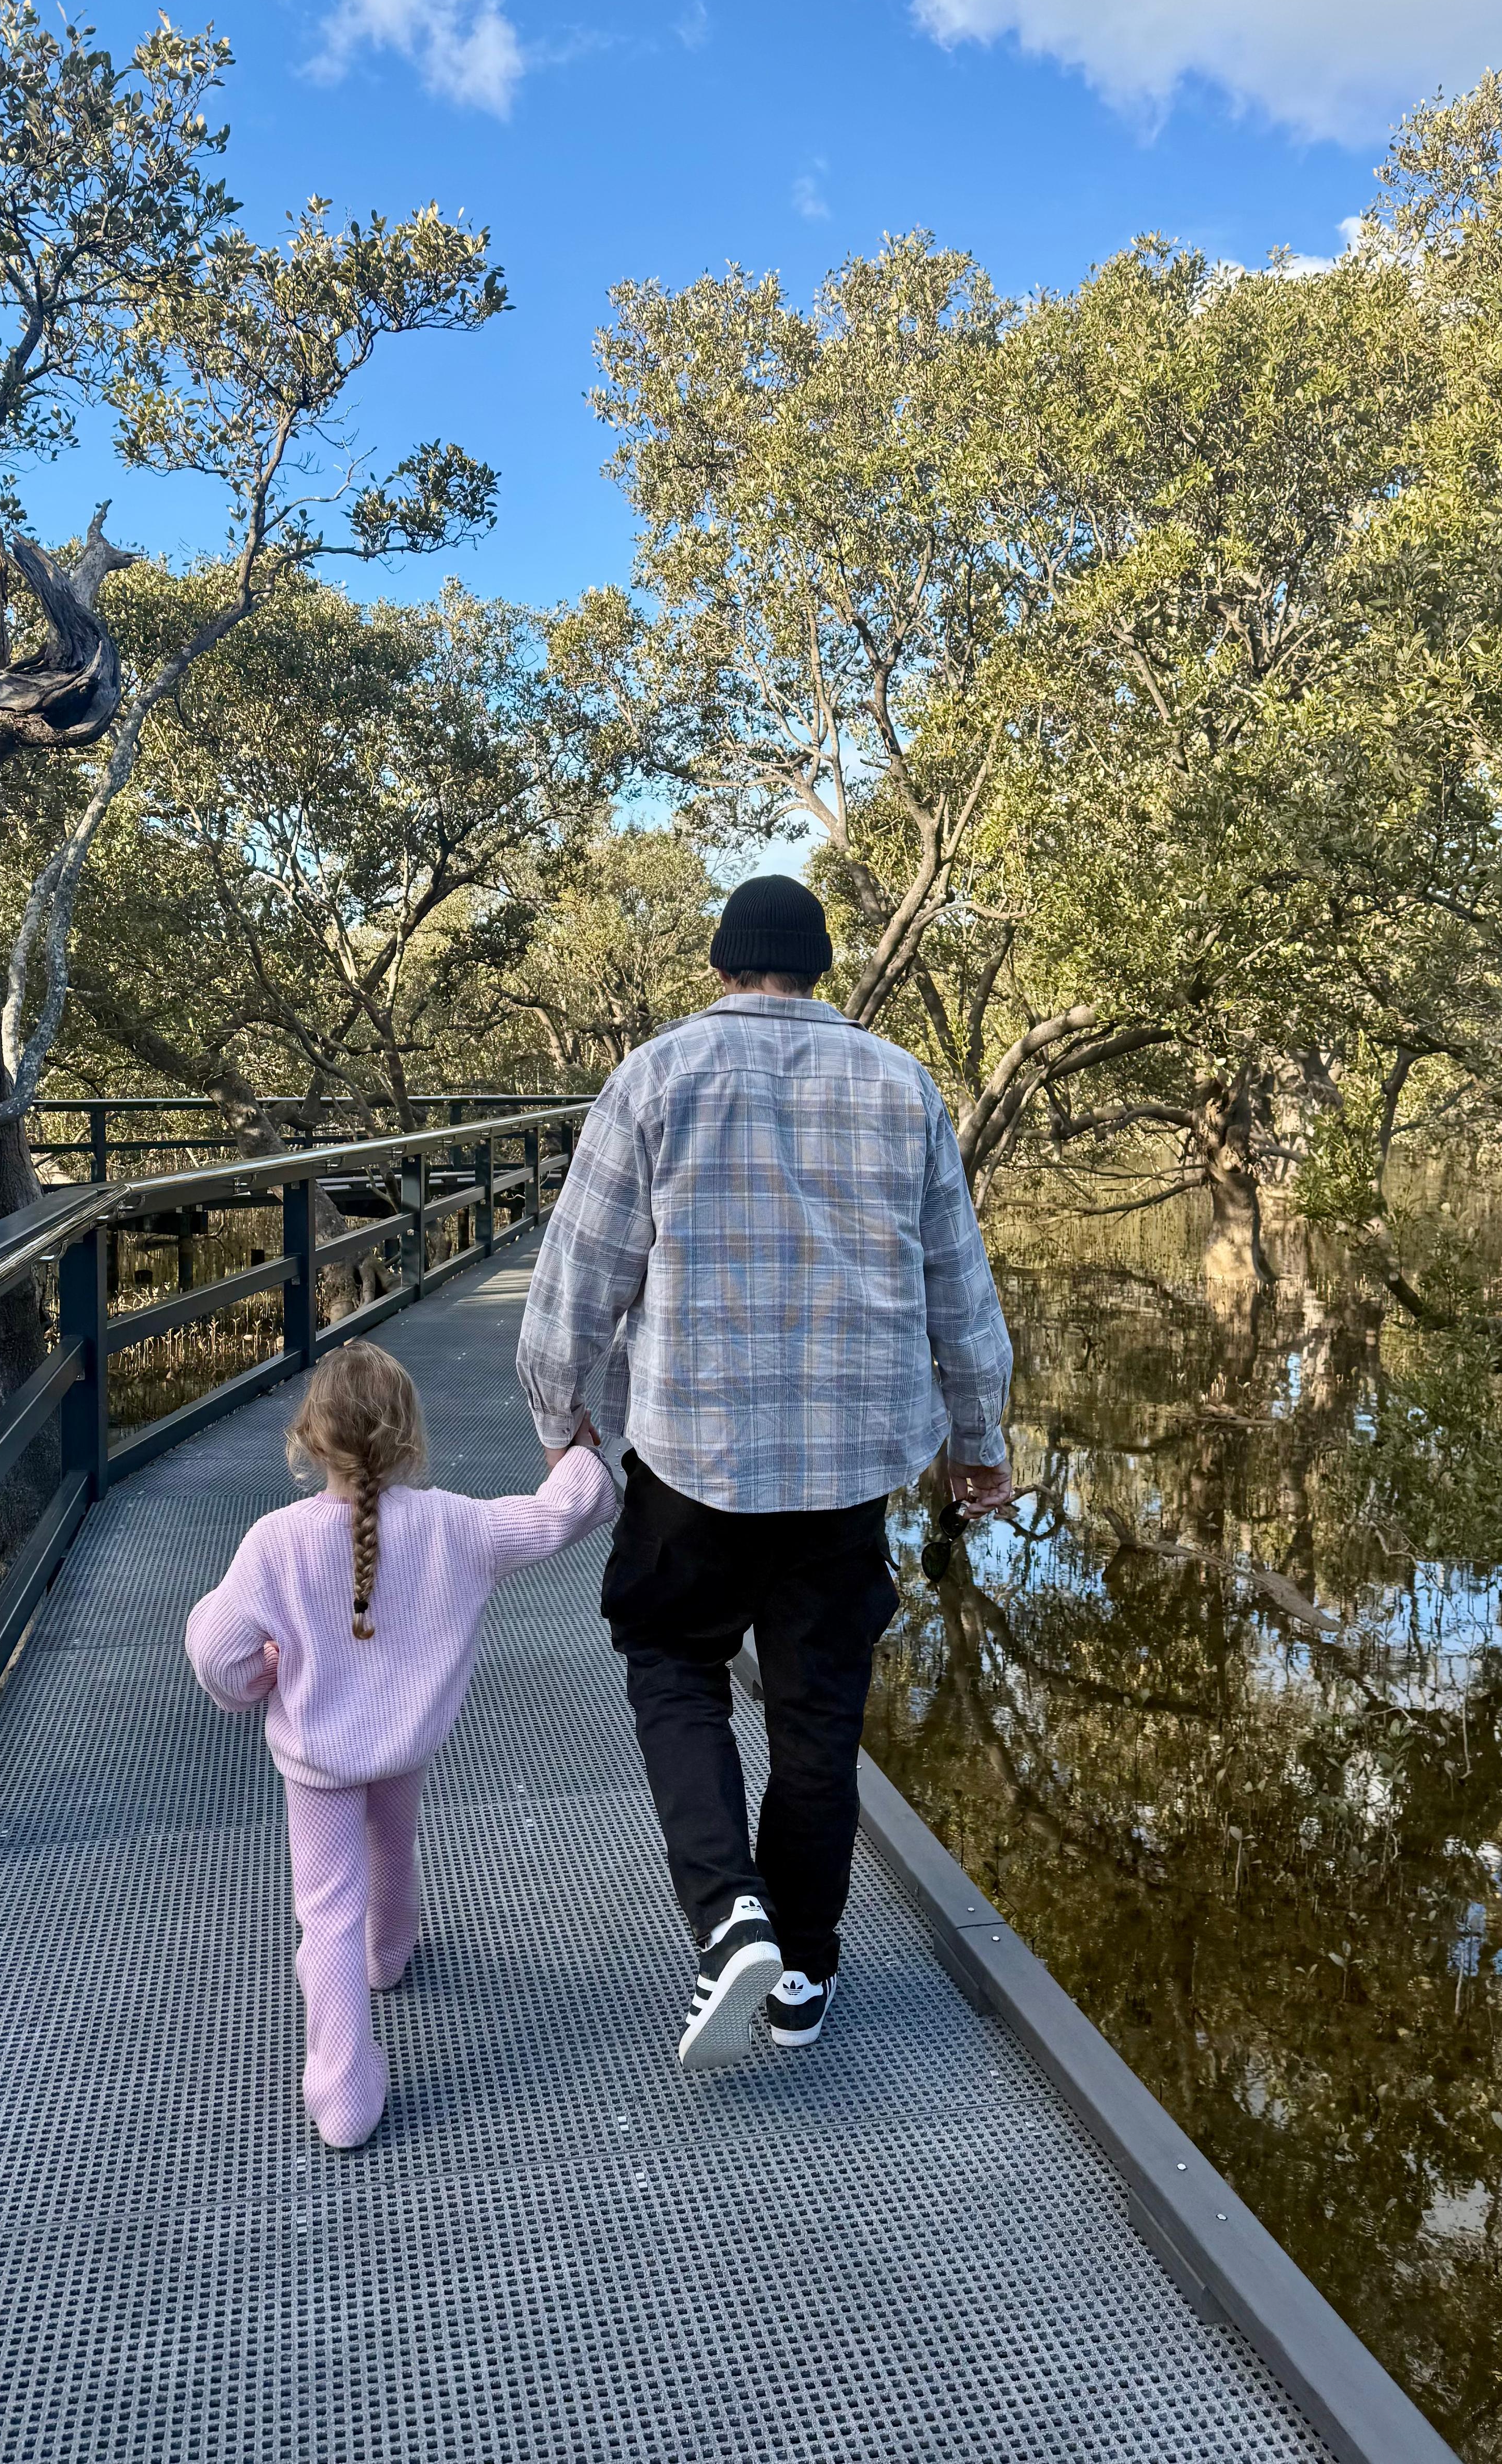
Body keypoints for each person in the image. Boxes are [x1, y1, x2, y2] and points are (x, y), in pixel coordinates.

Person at [516, 873, 1013, 2070]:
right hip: (851, 1468)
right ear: (822, 969)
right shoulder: (903, 1086)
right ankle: (805, 1968)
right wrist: (980, 1441)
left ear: (724, 966)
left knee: (671, 1657)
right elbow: (962, 1287)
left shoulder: (656, 1077)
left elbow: (577, 1280)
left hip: (694, 1453)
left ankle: (726, 1909)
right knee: (818, 1714)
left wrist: (560, 1411)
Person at [185, 1341, 613, 2147]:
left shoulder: (275, 1544)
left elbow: (217, 1650)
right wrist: (585, 1454)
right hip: (404, 1745)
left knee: (326, 1911)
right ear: (411, 1438)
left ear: (312, 1439)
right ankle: (392, 1954)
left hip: (318, 1761)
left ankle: (343, 2094)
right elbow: (559, 1515)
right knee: (394, 1846)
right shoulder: (458, 1527)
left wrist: (256, 1681)